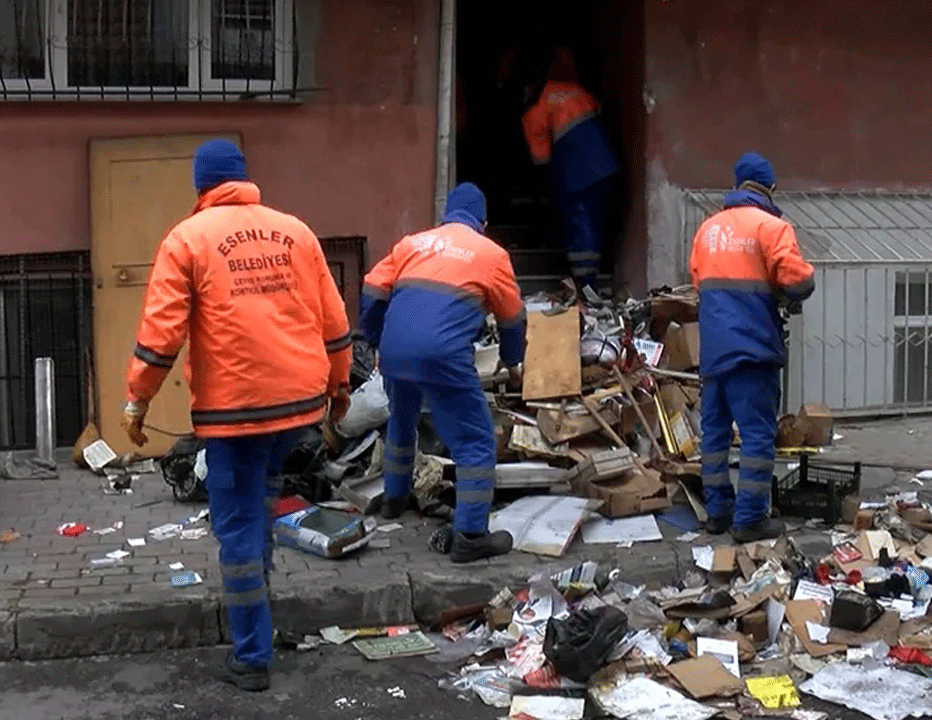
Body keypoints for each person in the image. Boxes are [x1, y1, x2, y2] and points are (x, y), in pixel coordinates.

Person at [122, 139, 353, 692]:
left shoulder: (188, 239)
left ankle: (252, 657)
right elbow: (333, 316)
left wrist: (138, 399)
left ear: (201, 186)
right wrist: (338, 385)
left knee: (238, 530)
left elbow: (160, 335)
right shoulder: (294, 230)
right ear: (242, 179)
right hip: (295, 404)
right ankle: (264, 626)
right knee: (260, 506)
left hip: (235, 411)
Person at [361, 182, 525, 564]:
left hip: (395, 350)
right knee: (475, 441)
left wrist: (377, 339)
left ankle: (394, 498)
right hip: (442, 354)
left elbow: (371, 289)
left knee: (402, 421)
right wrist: (512, 359)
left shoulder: (413, 243)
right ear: (483, 222)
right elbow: (512, 317)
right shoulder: (491, 254)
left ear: (446, 215)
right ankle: (470, 534)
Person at [689, 152, 815, 544]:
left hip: (713, 350)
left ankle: (718, 514)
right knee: (758, 436)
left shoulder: (707, 230)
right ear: (771, 188)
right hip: (753, 348)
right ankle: (749, 519)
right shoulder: (772, 227)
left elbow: (699, 283)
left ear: (737, 184)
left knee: (714, 435)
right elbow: (798, 282)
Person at [522, 46, 621, 290]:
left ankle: (585, 286)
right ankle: (592, 280)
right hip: (608, 168)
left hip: (578, 176)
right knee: (596, 224)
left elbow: (541, 159)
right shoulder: (576, 91)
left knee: (580, 228)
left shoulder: (536, 108)